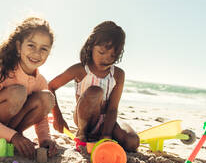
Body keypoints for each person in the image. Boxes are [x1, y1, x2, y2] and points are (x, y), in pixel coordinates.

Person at [0, 17, 57, 160]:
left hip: (14, 125)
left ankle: (8, 136)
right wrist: (15, 136)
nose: (37, 53)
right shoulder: (3, 73)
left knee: (47, 98)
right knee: (18, 92)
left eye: (44, 49)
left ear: (49, 53)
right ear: (19, 47)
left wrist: (44, 139)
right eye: (31, 45)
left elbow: (41, 117)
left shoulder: (40, 81)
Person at [48, 21, 139, 152]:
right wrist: (58, 117)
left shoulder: (118, 74)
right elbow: (51, 86)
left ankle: (101, 135)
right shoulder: (80, 70)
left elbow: (113, 109)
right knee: (95, 91)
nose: (107, 59)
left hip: (106, 122)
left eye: (113, 55)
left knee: (132, 142)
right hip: (85, 120)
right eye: (101, 52)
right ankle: (82, 135)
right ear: (91, 47)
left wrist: (106, 135)